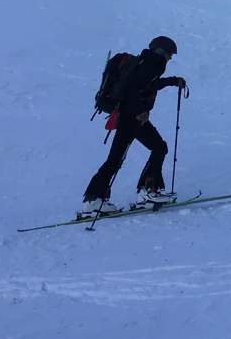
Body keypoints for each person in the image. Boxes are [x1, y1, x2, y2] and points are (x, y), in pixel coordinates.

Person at [80, 35, 187, 215]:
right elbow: (131, 89)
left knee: (151, 149)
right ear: (162, 51)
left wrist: (172, 81)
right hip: (131, 117)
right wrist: (140, 111)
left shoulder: (146, 63)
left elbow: (148, 85)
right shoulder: (152, 64)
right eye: (170, 54)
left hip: (130, 116)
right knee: (123, 157)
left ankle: (97, 199)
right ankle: (143, 192)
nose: (170, 58)